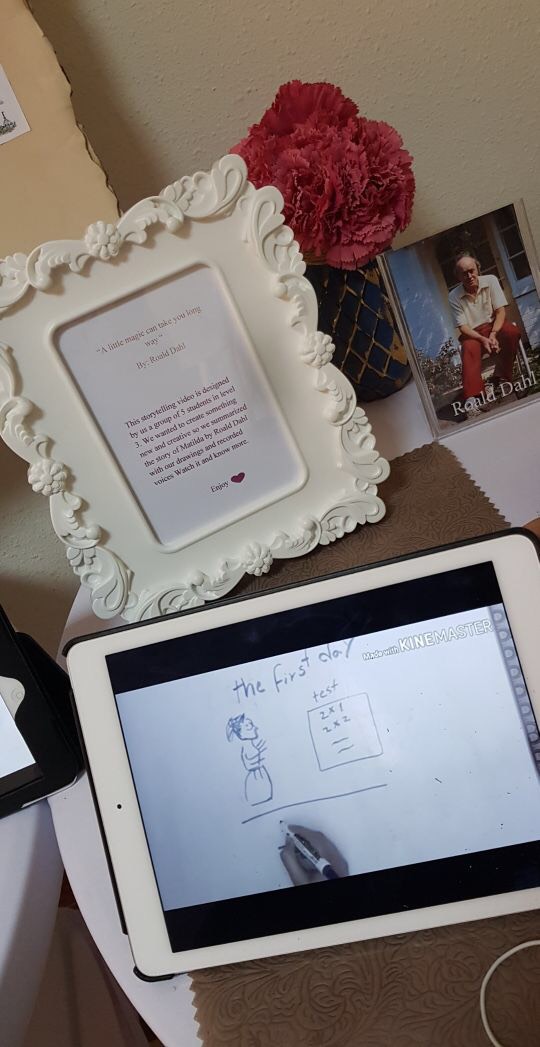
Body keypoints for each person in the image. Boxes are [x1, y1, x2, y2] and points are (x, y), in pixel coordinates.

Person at [449, 255, 520, 404]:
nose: (469, 276)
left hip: (494, 325)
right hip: (472, 333)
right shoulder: (453, 296)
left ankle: (500, 377)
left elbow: (500, 312)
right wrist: (482, 339)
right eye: (464, 273)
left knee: (512, 333)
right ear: (458, 277)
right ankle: (474, 397)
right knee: (469, 349)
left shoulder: (491, 280)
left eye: (472, 271)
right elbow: (463, 327)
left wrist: (493, 334)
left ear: (478, 269)